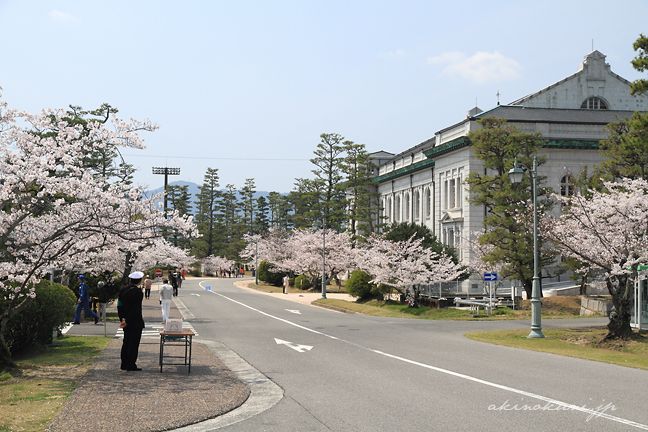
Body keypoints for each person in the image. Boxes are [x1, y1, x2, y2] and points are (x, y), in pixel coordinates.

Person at [118, 271, 145, 371]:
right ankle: (131, 364)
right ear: (139, 281)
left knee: (126, 342)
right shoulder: (138, 292)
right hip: (135, 322)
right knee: (133, 344)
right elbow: (135, 308)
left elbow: (119, 306)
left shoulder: (123, 290)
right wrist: (128, 320)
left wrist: (122, 319)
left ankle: (124, 363)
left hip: (125, 321)